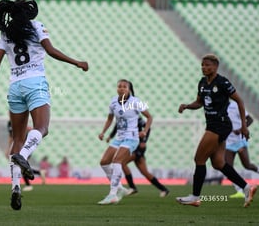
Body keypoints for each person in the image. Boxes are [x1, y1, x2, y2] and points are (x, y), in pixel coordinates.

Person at [0, 0, 88, 210]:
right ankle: (23, 156)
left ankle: (15, 187)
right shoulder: (36, 27)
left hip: (14, 87)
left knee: (17, 138)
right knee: (42, 128)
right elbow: (51, 50)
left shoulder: (5, 34)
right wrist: (77, 62)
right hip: (35, 83)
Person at [176, 54, 257, 207]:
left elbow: (239, 101)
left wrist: (244, 127)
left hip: (219, 125)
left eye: (207, 65)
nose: (204, 68)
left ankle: (195, 196)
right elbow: (199, 103)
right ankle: (247, 188)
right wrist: (187, 106)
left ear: (215, 67)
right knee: (219, 163)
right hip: (213, 124)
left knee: (199, 159)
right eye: (202, 65)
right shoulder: (202, 82)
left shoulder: (222, 82)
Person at [97, 79, 153, 205]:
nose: (121, 88)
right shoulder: (113, 101)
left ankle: (113, 194)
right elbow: (110, 119)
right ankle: (121, 188)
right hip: (119, 138)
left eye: (124, 87)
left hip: (131, 138)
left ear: (129, 89)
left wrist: (144, 131)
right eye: (119, 86)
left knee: (117, 161)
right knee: (104, 162)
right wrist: (103, 132)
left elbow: (149, 117)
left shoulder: (135, 102)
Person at [107, 117, 169, 197]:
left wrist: (144, 141)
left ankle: (132, 187)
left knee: (122, 162)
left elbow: (147, 127)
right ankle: (163, 189)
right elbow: (117, 127)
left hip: (137, 146)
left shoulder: (135, 117)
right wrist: (110, 136)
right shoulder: (122, 117)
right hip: (131, 146)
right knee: (144, 172)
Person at [225, 100, 257, 198]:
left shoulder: (235, 105)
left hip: (239, 141)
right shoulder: (219, 106)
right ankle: (240, 190)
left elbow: (250, 119)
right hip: (227, 142)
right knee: (227, 169)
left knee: (247, 165)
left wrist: (241, 128)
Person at [6, 121, 41, 192]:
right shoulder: (10, 123)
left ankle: (28, 185)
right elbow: (10, 136)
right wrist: (9, 150)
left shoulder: (19, 121)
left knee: (21, 164)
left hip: (25, 148)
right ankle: (39, 173)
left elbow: (30, 129)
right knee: (21, 165)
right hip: (19, 147)